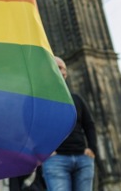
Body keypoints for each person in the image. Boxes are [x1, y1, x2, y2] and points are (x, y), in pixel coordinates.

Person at [41, 56, 97, 191]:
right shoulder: (39, 98)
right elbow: (29, 125)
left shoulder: (76, 99)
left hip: (82, 158)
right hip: (56, 160)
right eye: (59, 67)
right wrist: (42, 151)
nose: (63, 71)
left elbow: (89, 125)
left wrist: (92, 148)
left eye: (64, 69)